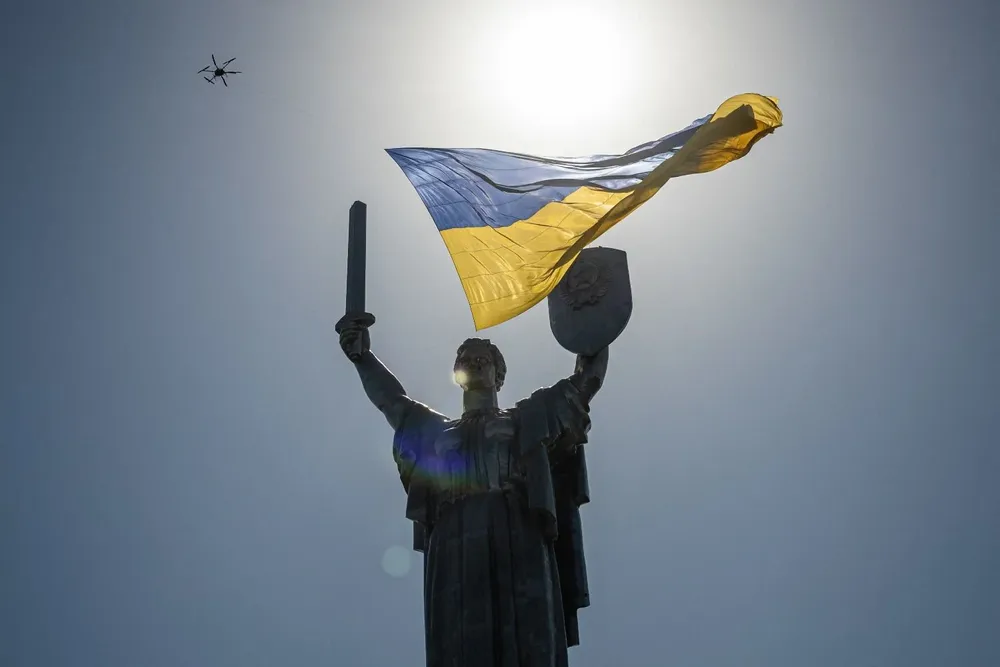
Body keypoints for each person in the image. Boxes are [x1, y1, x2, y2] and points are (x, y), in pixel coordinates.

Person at [340, 321, 609, 667]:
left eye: (484, 359)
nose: (475, 362)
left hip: (517, 531)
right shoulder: (434, 431)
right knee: (458, 643)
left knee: (529, 641)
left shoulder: (528, 417)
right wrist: (363, 357)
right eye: (467, 358)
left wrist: (592, 317)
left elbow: (585, 382)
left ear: (499, 376)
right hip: (454, 539)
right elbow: (393, 403)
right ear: (457, 374)